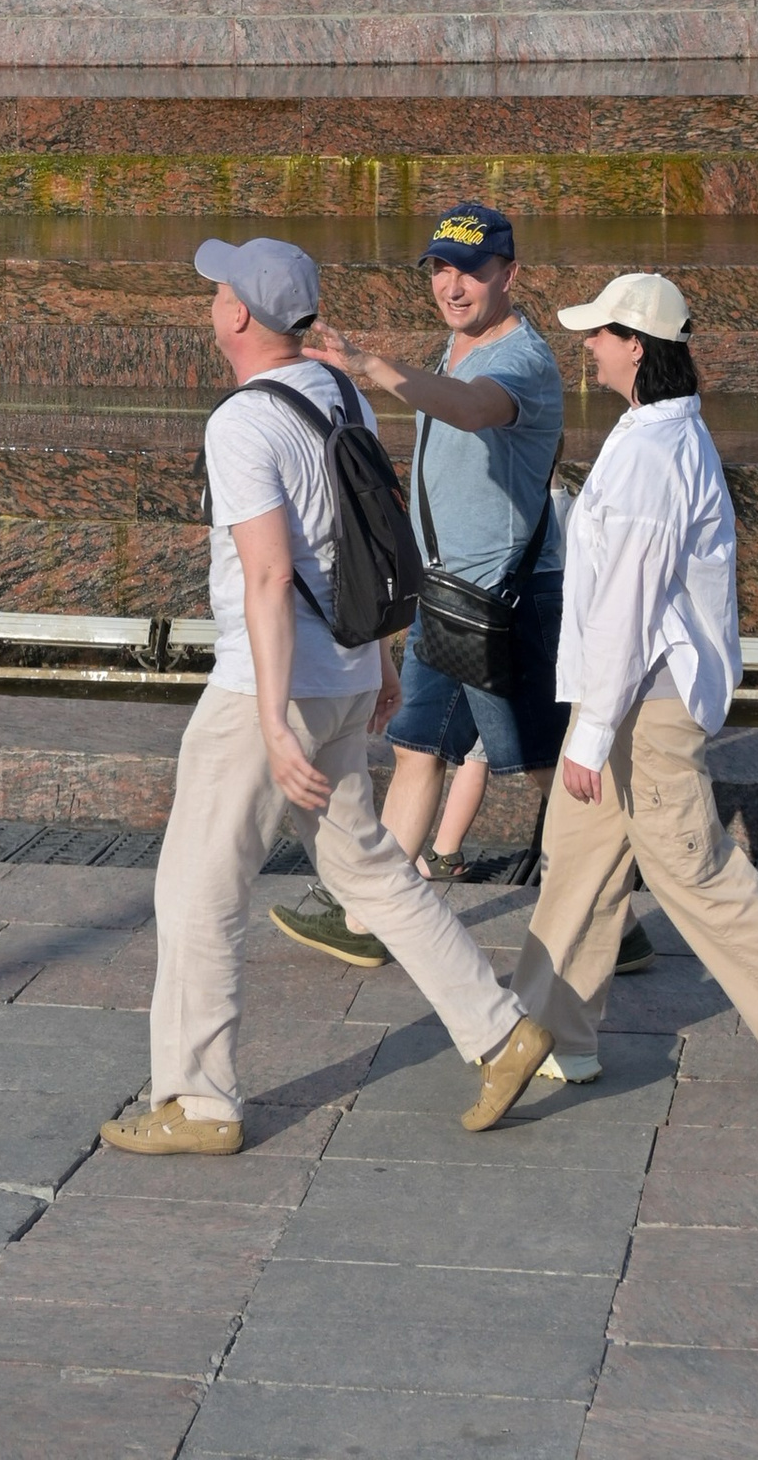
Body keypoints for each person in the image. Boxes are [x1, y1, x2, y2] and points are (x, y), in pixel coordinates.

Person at [100, 234, 552, 1156]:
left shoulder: (240, 423)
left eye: (219, 288)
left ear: (237, 314)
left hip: (274, 689)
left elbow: (268, 579)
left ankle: (198, 1100)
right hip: (345, 672)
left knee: (197, 889)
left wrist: (270, 720)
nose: (212, 299)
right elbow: (364, 532)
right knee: (368, 872)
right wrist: (378, 659)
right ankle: (502, 1029)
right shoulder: (334, 388)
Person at [512, 270, 758, 1115]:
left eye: (600, 334)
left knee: (691, 869)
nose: (589, 347)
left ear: (636, 346)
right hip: (630, 694)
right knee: (578, 863)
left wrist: (587, 729)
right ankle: (549, 1034)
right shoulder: (654, 432)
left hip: (646, 703)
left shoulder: (652, 451)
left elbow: (628, 607)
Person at [268, 201, 567, 967]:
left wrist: (372, 368)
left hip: (504, 600)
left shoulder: (520, 362)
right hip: (450, 594)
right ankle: (375, 920)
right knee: (415, 750)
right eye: (440, 268)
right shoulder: (460, 344)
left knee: (541, 768)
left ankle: (616, 911)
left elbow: (471, 413)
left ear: (510, 273)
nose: (454, 285)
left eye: (471, 270)